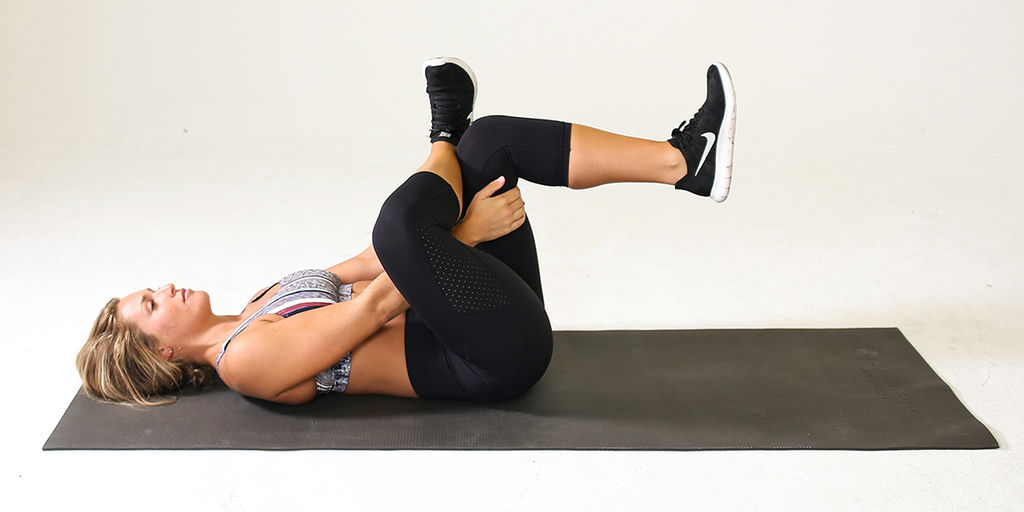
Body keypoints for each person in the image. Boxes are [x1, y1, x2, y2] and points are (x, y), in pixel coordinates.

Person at [77, 57, 737, 406]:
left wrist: (452, 237)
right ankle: (442, 132)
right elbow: (372, 308)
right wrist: (462, 238)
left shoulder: (257, 302)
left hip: (475, 313)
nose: (165, 287)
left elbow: (366, 263)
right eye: (152, 304)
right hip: (490, 360)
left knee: (491, 144)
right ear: (165, 353)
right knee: (399, 225)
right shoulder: (244, 361)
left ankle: (685, 163)